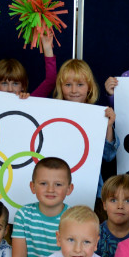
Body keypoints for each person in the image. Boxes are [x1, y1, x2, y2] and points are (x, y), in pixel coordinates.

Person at [53, 59, 118, 199]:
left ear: (89, 87)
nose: (74, 90)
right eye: (68, 85)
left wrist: (108, 127)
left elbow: (108, 156)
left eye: (80, 85)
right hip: (56, 188)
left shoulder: (98, 114)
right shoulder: (52, 113)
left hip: (90, 191)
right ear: (60, 87)